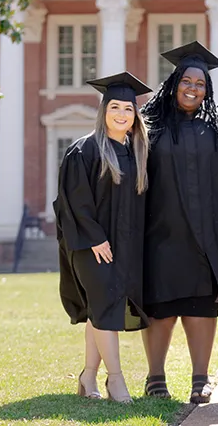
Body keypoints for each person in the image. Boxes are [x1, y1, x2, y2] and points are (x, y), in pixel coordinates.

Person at [137, 41, 218, 404]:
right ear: (174, 82)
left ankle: (201, 378)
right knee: (161, 305)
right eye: (187, 81)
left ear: (208, 89)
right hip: (161, 231)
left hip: (207, 233)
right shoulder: (150, 124)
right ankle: (156, 378)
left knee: (201, 304)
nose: (193, 88)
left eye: (200, 84)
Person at [54, 71, 152, 404]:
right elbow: (74, 202)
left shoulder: (136, 152)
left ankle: (87, 378)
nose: (122, 114)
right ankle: (117, 381)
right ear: (104, 111)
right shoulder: (84, 151)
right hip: (91, 246)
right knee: (106, 308)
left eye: (128, 109)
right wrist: (95, 238)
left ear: (135, 115)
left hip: (123, 246)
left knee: (102, 310)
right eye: (115, 108)